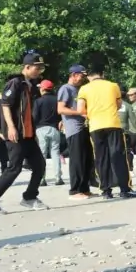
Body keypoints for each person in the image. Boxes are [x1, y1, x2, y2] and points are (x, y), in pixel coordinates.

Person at [0, 55, 49, 214]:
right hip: (16, 134)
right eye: (36, 67)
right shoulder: (15, 83)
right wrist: (11, 128)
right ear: (27, 67)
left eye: (41, 68)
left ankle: (29, 197)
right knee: (14, 168)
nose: (39, 71)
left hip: (29, 135)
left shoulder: (30, 85)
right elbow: (5, 105)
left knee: (40, 165)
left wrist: (33, 133)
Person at [77, 65, 136, 200]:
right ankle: (124, 189)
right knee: (119, 156)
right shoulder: (113, 86)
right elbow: (118, 104)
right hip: (113, 124)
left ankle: (106, 190)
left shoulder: (84, 89)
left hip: (95, 126)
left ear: (88, 76)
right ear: (102, 74)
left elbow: (80, 109)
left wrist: (92, 114)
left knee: (100, 158)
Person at [58, 65, 96, 198]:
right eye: (81, 75)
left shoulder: (79, 89)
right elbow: (61, 109)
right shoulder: (66, 89)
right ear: (73, 75)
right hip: (74, 129)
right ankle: (75, 191)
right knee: (77, 160)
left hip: (84, 127)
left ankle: (85, 188)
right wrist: (79, 113)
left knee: (87, 159)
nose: (83, 78)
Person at [33, 79, 63, 186]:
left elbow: (35, 117)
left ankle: (42, 179)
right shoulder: (57, 100)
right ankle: (58, 178)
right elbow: (61, 114)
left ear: (43, 89)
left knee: (42, 154)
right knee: (55, 153)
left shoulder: (38, 101)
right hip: (54, 128)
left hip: (41, 129)